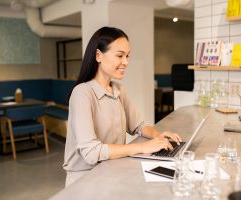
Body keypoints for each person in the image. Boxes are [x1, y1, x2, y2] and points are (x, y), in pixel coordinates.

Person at [63, 26, 182, 187]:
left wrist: (158, 135)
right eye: (119, 55)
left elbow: (139, 126)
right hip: (85, 179)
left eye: (127, 56)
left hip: (112, 169)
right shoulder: (82, 93)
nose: (125, 62)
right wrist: (141, 147)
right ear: (98, 55)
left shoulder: (118, 90)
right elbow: (91, 152)